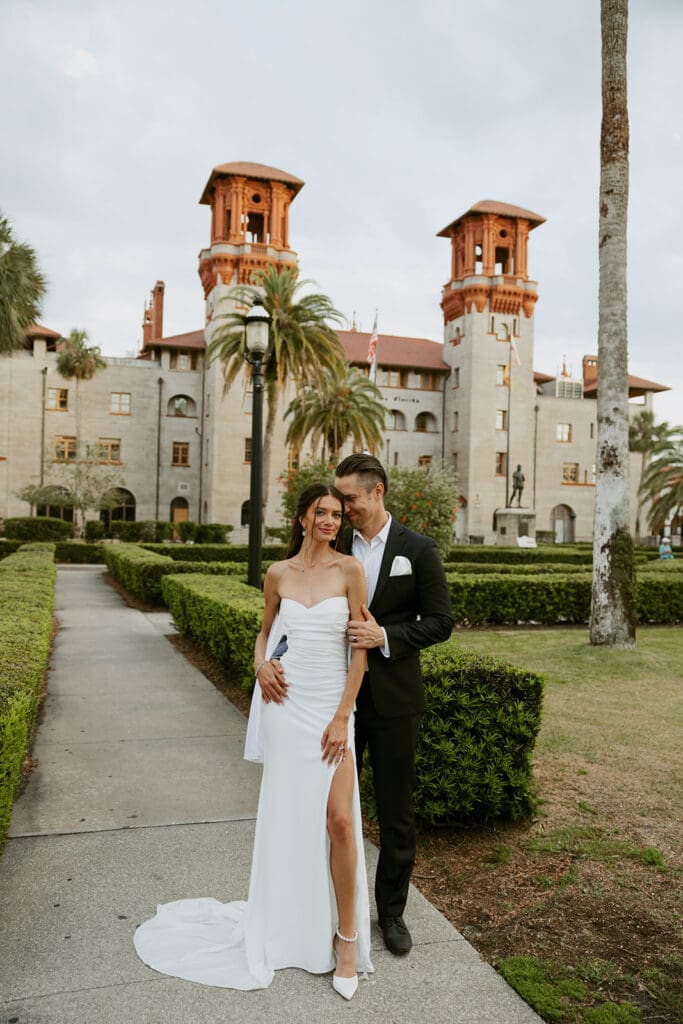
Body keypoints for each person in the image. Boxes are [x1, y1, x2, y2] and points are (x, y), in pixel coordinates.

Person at [134, 483, 373, 1000]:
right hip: (286, 709)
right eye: (322, 513)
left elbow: (360, 652)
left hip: (332, 710)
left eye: (336, 514)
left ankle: (346, 939)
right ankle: (289, 926)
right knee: (290, 818)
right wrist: (261, 665)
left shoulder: (351, 572)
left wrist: (342, 716)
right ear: (302, 518)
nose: (331, 521)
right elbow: (265, 632)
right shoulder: (278, 573)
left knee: (338, 819)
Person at [333, 454, 453, 957]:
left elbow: (441, 622)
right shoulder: (332, 541)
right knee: (335, 809)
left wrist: (386, 635)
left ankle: (392, 913)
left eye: (350, 499)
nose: (342, 509)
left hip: (394, 700)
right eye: (338, 500)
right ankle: (335, 906)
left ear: (378, 491)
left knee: (396, 812)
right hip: (335, 696)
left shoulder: (418, 550)